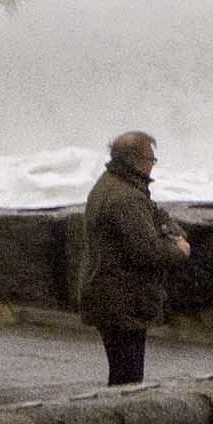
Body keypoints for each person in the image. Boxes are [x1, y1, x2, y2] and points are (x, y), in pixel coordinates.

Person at [76, 130, 190, 386]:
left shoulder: (115, 184)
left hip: (111, 296)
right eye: (151, 158)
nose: (152, 164)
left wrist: (173, 231)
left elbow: (157, 215)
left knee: (122, 372)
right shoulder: (125, 198)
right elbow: (147, 250)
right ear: (135, 160)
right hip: (121, 299)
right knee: (127, 377)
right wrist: (179, 250)